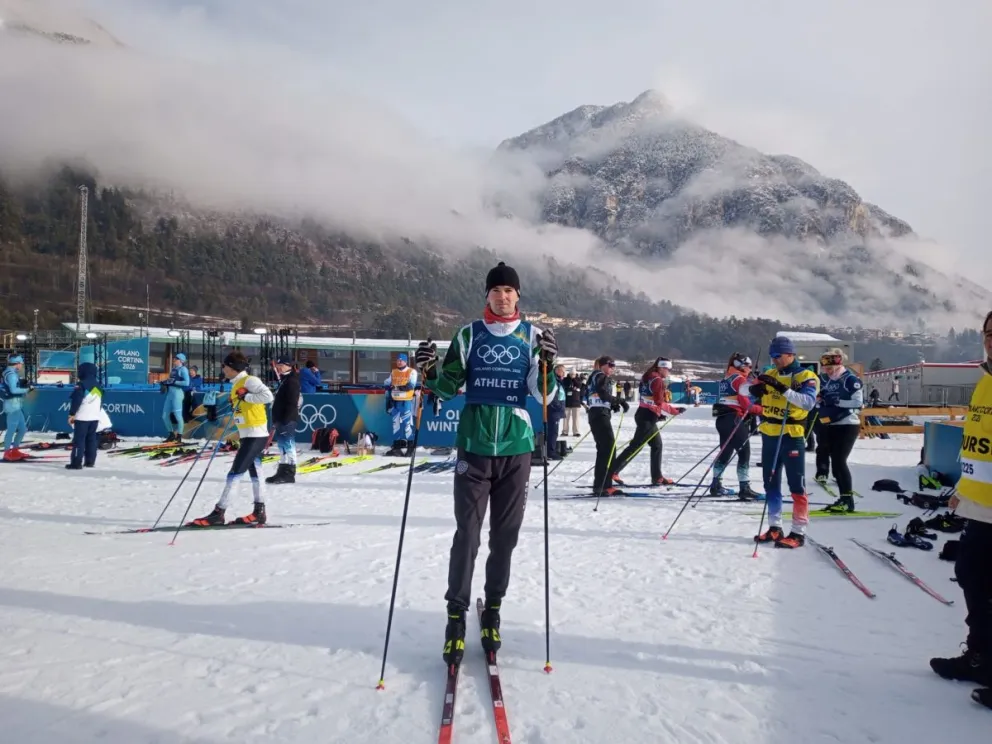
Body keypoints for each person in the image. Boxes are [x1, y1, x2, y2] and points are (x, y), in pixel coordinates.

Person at [415, 261, 557, 666]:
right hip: (474, 448)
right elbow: (447, 385)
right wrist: (428, 369)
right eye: (495, 290)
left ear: (518, 296)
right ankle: (455, 617)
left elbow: (545, 395)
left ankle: (492, 609)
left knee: (505, 537)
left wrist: (547, 365)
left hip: (517, 448)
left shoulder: (533, 337)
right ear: (487, 296)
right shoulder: (468, 335)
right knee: (468, 535)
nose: (502, 295)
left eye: (509, 290)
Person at [930, 310, 992, 710]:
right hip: (981, 505)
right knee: (972, 576)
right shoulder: (985, 382)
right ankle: (981, 658)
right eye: (989, 332)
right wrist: (963, 492)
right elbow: (978, 445)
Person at [749, 336, 819, 549]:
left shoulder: (806, 375)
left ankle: (798, 532)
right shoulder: (769, 373)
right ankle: (774, 527)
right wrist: (754, 394)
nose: (775, 360)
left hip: (791, 434)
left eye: (778, 356)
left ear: (790, 354)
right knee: (770, 483)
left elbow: (807, 403)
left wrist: (782, 389)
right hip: (769, 433)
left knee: (796, 485)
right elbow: (747, 393)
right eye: (772, 356)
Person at [190, 351, 274, 527]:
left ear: (234, 368)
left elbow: (268, 396)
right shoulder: (236, 384)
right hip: (248, 433)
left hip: (255, 433)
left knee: (235, 473)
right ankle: (260, 512)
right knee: (256, 473)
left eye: (225, 366)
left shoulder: (250, 380)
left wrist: (246, 396)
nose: (223, 369)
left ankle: (219, 513)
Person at [610, 356, 682, 487]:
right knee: (636, 446)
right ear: (661, 367)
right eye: (667, 369)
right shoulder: (657, 379)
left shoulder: (648, 376)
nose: (668, 372)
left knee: (657, 445)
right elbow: (659, 402)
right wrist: (674, 411)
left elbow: (649, 400)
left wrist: (658, 413)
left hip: (644, 414)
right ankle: (612, 471)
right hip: (647, 417)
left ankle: (657, 477)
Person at [814, 349, 864, 512]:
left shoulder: (849, 379)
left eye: (830, 368)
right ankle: (843, 498)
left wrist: (837, 401)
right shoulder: (826, 380)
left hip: (848, 424)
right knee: (834, 462)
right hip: (832, 423)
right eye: (825, 368)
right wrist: (820, 401)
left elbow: (858, 403)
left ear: (838, 364)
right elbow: (822, 400)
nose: (827, 371)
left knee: (839, 461)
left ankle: (847, 500)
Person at [710, 352, 763, 500]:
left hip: (722, 420)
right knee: (744, 453)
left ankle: (716, 484)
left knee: (725, 452)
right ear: (740, 366)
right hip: (734, 419)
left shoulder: (727, 377)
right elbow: (746, 404)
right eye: (748, 366)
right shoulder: (740, 379)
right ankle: (744, 488)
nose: (750, 369)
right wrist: (764, 411)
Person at [585, 355, 628, 496]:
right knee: (609, 449)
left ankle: (600, 484)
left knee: (604, 450)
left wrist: (611, 404)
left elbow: (592, 395)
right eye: (610, 365)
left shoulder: (593, 376)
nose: (612, 368)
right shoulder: (601, 376)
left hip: (595, 413)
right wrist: (619, 401)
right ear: (603, 365)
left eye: (614, 365)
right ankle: (604, 485)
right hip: (600, 415)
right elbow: (603, 394)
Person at [266, 355, 301, 485]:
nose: (279, 368)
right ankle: (282, 470)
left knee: (288, 445)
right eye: (278, 366)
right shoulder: (285, 379)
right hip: (281, 418)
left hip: (287, 418)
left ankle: (289, 472)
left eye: (281, 366)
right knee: (282, 446)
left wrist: (285, 418)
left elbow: (292, 401)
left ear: (288, 365)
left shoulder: (292, 380)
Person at [66, 362, 104, 470]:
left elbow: (76, 401)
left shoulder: (81, 384)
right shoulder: (98, 385)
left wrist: (72, 414)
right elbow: (101, 402)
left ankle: (76, 463)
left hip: (82, 417)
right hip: (94, 417)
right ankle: (90, 462)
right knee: (91, 439)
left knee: (79, 440)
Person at [384, 353, 418, 456]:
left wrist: (397, 387)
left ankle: (410, 448)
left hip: (406, 401)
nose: (399, 362)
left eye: (401, 360)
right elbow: (387, 383)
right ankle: (397, 448)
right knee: (395, 425)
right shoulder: (394, 372)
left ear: (405, 361)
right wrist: (388, 387)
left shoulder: (412, 371)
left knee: (407, 425)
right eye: (397, 360)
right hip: (395, 402)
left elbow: (411, 385)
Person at [2, 354, 31, 461]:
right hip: (12, 405)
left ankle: (15, 450)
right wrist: (27, 390)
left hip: (15, 404)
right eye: (21, 364)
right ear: (17, 363)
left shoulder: (11, 373)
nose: (21, 366)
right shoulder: (12, 375)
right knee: (11, 430)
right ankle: (6, 453)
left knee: (23, 429)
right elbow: (14, 390)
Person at [161, 352, 190, 442]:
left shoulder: (183, 369)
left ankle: (179, 436)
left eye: (176, 359)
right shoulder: (173, 369)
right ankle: (171, 434)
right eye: (174, 358)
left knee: (178, 416)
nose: (174, 360)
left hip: (178, 393)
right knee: (164, 416)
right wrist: (164, 383)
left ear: (181, 361)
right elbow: (170, 380)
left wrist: (174, 382)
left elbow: (187, 383)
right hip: (170, 394)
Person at [546, 364, 567, 458]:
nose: (564, 373)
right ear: (557, 370)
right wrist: (557, 406)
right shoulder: (554, 381)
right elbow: (553, 395)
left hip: (558, 410)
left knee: (554, 431)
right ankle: (551, 452)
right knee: (552, 431)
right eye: (562, 371)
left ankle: (552, 450)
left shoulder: (559, 381)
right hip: (553, 410)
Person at [563, 372, 583, 436]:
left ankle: (576, 431)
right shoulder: (565, 379)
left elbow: (579, 385)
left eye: (573, 374)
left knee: (576, 418)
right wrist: (570, 384)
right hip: (567, 401)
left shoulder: (578, 379)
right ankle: (565, 431)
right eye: (571, 374)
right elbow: (564, 386)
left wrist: (574, 379)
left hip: (576, 402)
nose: (572, 375)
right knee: (566, 418)